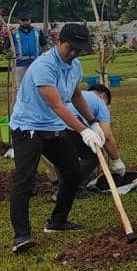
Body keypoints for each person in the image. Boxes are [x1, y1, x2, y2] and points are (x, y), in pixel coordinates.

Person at [7, 23, 105, 253]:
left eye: (79, 49)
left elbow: (76, 95)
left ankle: (58, 221)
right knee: (25, 180)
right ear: (58, 42)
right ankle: (21, 236)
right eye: (70, 48)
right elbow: (58, 106)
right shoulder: (44, 66)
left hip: (53, 127)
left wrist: (93, 121)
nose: (74, 53)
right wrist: (83, 131)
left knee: (72, 172)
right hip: (28, 128)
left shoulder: (75, 65)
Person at [64, 84, 125, 186]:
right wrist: (116, 161)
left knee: (64, 157)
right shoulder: (99, 101)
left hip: (51, 126)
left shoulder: (77, 94)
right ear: (103, 96)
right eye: (107, 104)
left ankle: (63, 186)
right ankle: (70, 186)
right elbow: (107, 136)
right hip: (71, 125)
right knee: (93, 154)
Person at [9, 13, 47, 95]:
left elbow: (44, 45)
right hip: (20, 64)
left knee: (37, 84)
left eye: (27, 20)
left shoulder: (37, 31)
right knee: (20, 86)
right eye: (23, 20)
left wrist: (44, 57)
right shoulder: (14, 33)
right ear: (19, 21)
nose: (25, 22)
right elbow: (8, 46)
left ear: (30, 20)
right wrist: (11, 53)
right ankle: (21, 101)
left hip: (36, 63)